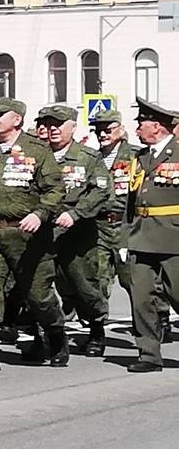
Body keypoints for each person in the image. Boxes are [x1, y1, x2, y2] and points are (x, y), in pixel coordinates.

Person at [0, 97, 65, 372]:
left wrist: (40, 214)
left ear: (18, 119)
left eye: (0, 114)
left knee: (38, 296)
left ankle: (56, 335)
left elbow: (56, 190)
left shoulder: (38, 150)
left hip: (28, 235)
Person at [36, 104, 110, 361]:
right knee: (41, 285)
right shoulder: (35, 155)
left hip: (77, 231)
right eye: (48, 124)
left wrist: (76, 213)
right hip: (42, 230)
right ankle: (47, 336)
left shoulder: (88, 157)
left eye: (58, 124)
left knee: (82, 284)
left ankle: (96, 330)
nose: (53, 129)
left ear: (72, 127)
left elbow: (101, 190)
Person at [125, 98, 179, 373]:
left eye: (141, 123)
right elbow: (131, 201)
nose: (137, 128)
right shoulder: (139, 157)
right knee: (142, 298)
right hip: (141, 237)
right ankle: (148, 353)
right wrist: (126, 238)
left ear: (156, 126)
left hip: (174, 237)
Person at [91, 106, 135, 356]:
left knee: (131, 279)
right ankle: (97, 333)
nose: (102, 134)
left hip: (125, 226)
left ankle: (151, 322)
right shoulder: (93, 158)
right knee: (98, 280)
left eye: (108, 129)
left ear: (120, 128)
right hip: (98, 227)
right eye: (98, 130)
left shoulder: (135, 156)